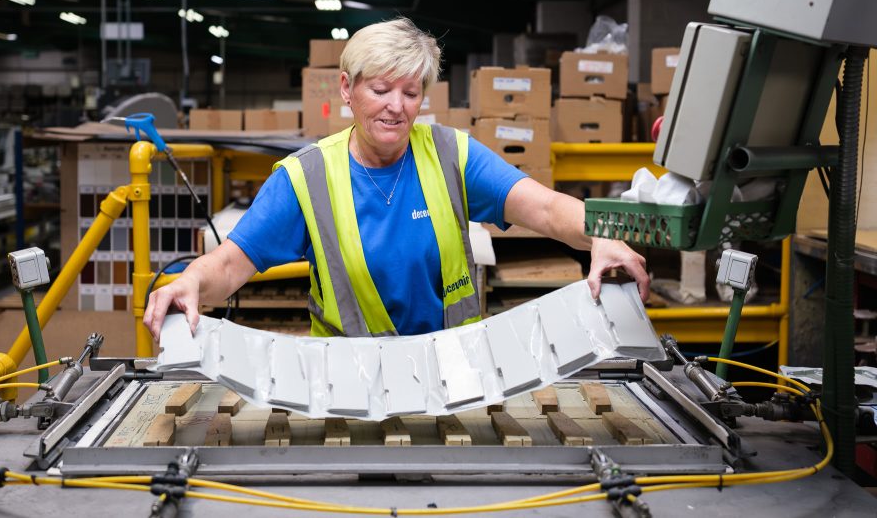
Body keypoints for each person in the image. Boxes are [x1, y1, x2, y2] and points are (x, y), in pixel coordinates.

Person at [143, 17, 649, 342]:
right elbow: (232, 263)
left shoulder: (452, 155)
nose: (395, 107)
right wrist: (189, 281)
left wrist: (601, 236)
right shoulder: (306, 177)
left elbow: (543, 207)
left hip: (456, 372)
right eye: (380, 89)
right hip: (345, 382)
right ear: (347, 88)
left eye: (410, 92)